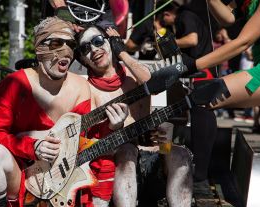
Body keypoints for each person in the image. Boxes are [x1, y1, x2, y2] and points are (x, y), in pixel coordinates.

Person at [0, 16, 128, 207]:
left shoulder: (81, 86)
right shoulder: (14, 84)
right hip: (23, 176)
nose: (65, 51)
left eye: (70, 44)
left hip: (65, 183)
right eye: (56, 43)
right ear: (39, 48)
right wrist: (31, 146)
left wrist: (113, 126)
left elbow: (91, 140)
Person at [76, 25, 192, 207]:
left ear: (110, 43)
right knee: (127, 151)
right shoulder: (87, 89)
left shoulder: (135, 72)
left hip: (156, 150)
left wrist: (122, 53)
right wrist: (115, 129)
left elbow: (153, 84)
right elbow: (91, 141)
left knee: (180, 153)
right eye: (85, 48)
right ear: (83, 59)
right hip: (118, 162)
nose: (94, 49)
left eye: (98, 41)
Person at [159, 0, 218, 184]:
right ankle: (196, 168)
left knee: (201, 117)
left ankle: (199, 172)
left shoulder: (185, 16)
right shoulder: (187, 16)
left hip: (201, 74)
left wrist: (167, 42)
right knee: (195, 117)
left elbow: (192, 39)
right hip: (199, 73)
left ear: (168, 13)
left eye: (162, 18)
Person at [183, 0, 260, 108]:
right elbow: (228, 18)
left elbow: (243, 42)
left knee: (204, 96)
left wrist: (191, 65)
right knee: (202, 97)